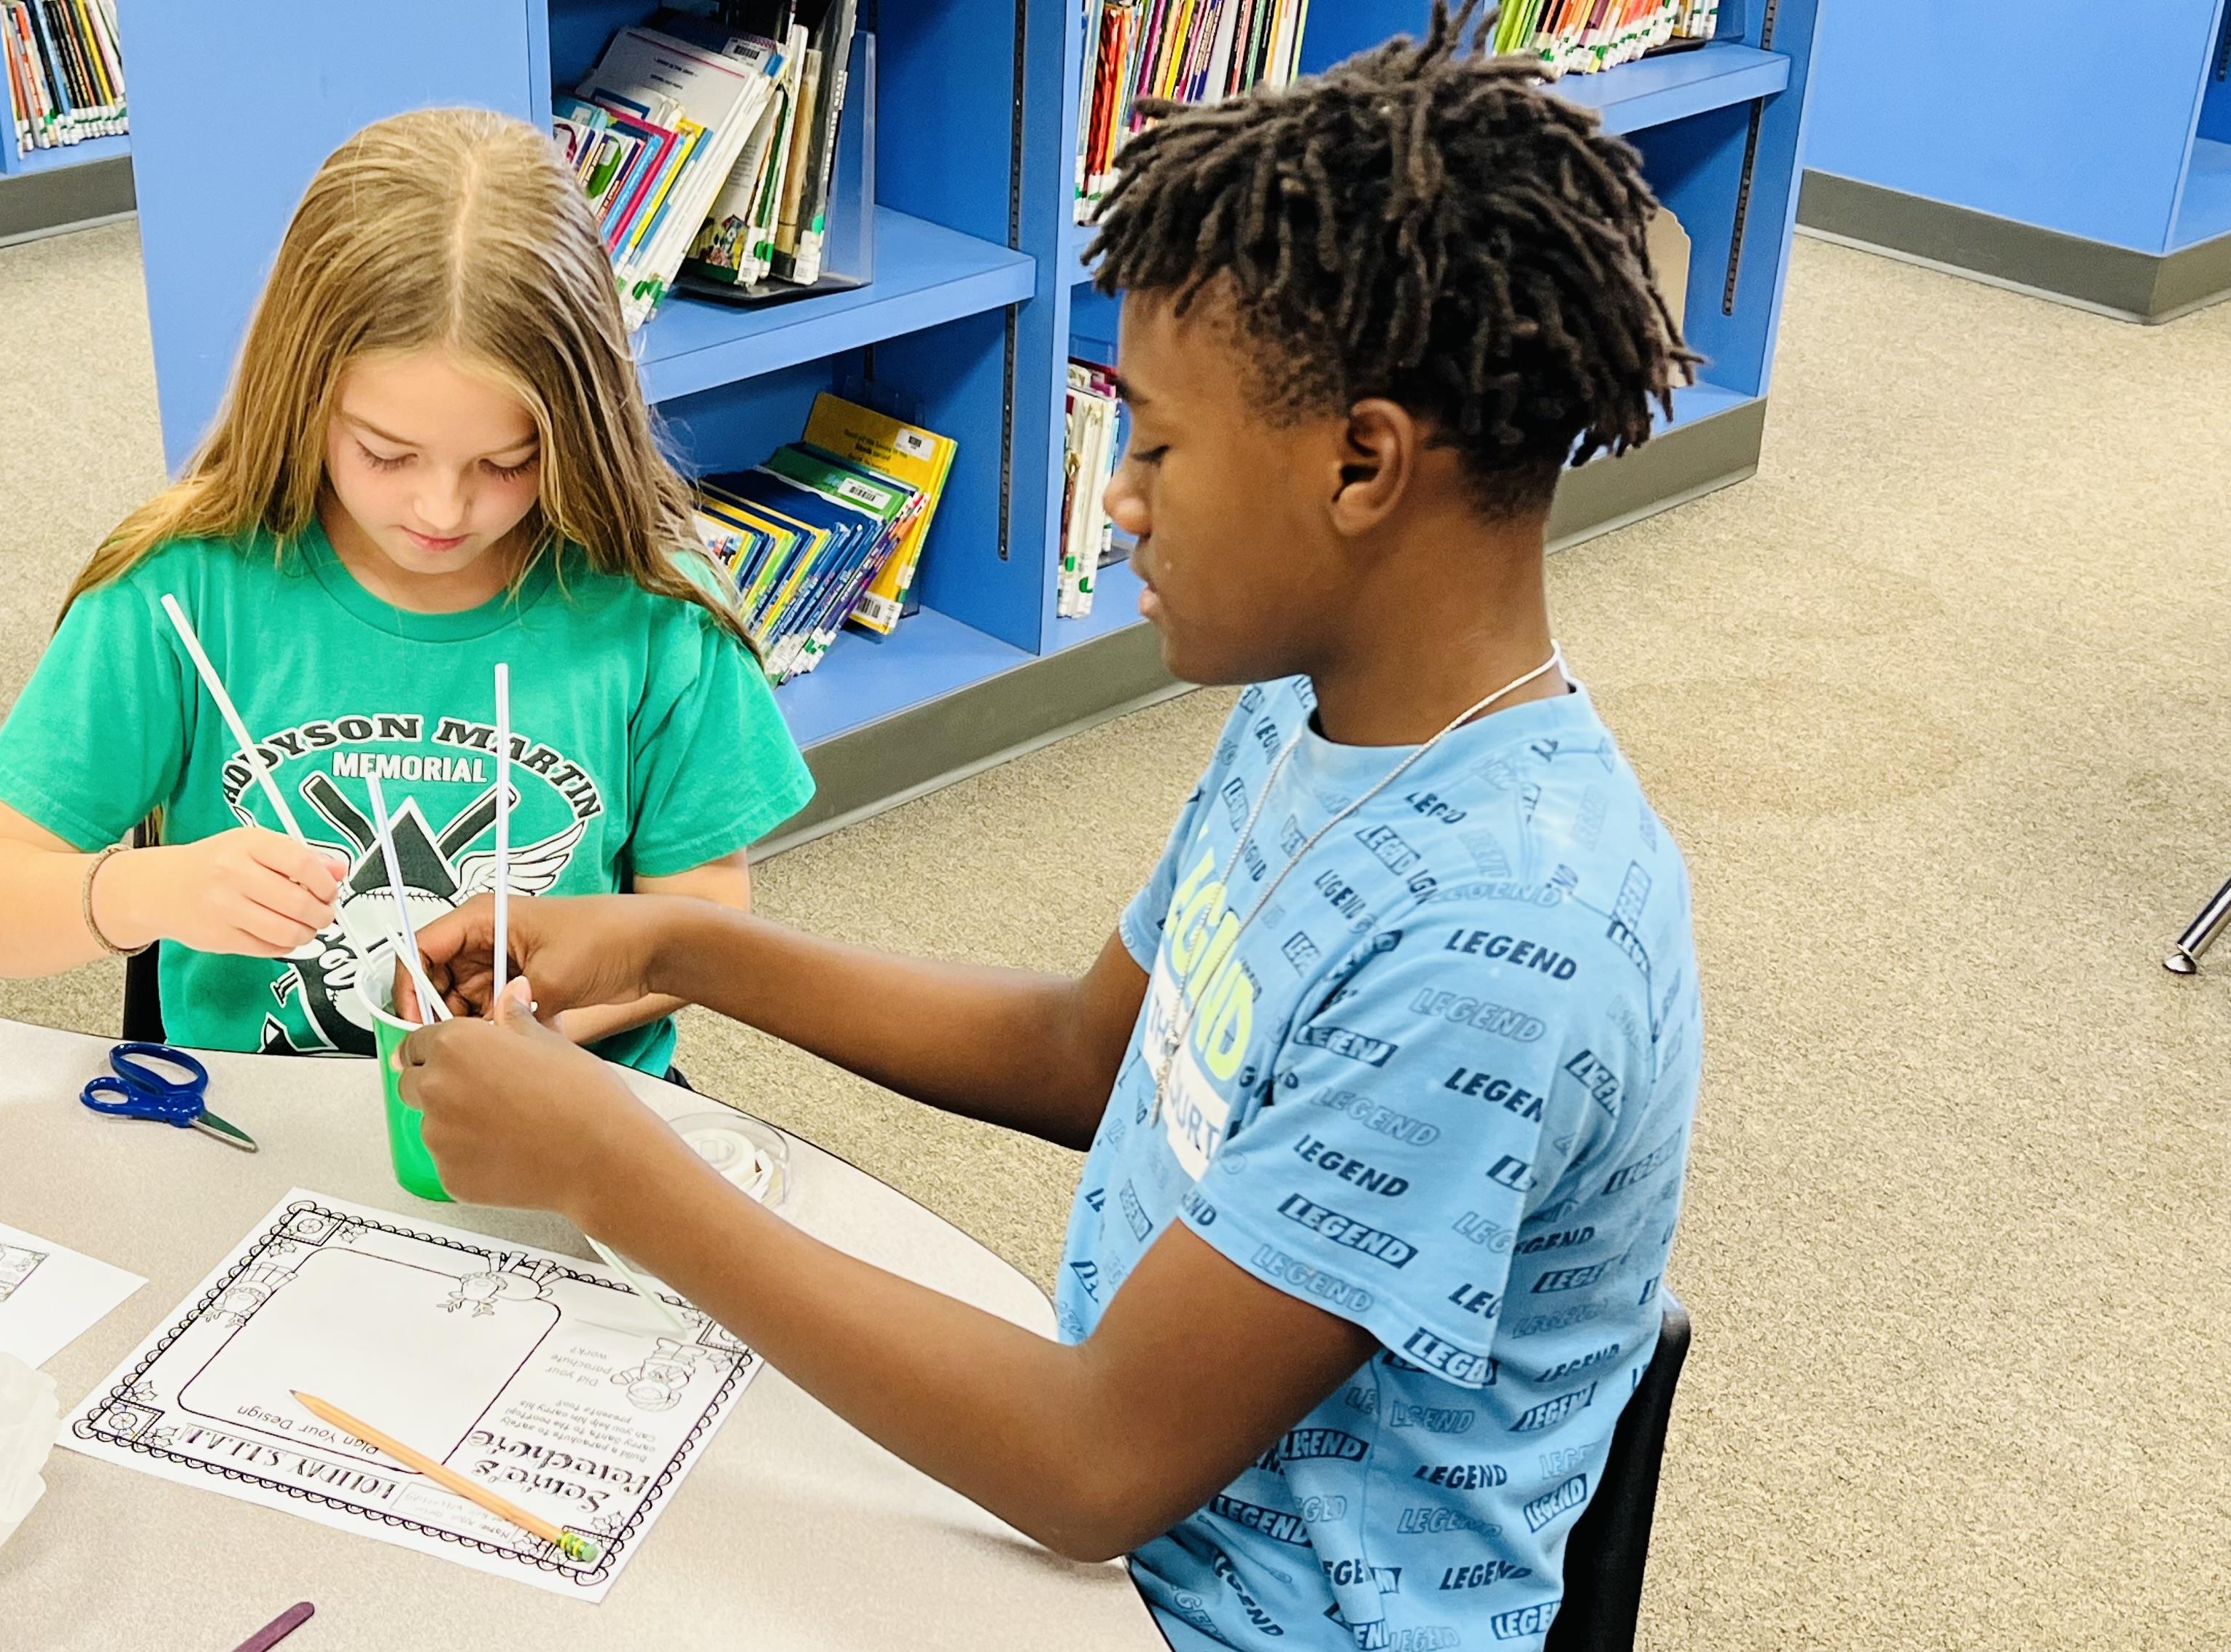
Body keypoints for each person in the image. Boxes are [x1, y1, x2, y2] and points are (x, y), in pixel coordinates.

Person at [394, 9, 1705, 1648]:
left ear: (1360, 464)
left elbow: (1089, 1463)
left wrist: (612, 1167)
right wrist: (681, 943)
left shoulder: (1498, 941)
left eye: (1152, 441)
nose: (1122, 494)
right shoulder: (1320, 714)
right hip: (1121, 1537)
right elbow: (1099, 1047)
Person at [0, 108, 811, 1074]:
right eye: (385, 453)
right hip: (256, 1129)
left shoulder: (656, 607)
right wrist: (144, 890)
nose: (443, 508)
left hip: (569, 1114)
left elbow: (702, 918)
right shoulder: (184, 589)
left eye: (508, 462)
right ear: (300, 393)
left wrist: (542, 1014)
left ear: (579, 429)